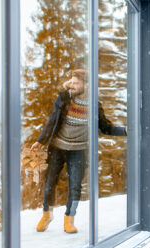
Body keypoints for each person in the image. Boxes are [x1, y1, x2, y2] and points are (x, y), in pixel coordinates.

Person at [31, 69, 127, 234]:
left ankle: (69, 219)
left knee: (75, 186)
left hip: (79, 150)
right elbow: (52, 121)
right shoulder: (64, 99)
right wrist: (40, 141)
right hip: (58, 147)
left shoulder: (94, 105)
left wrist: (125, 130)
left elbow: (106, 127)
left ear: (86, 85)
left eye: (76, 83)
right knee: (49, 184)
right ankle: (47, 215)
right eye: (71, 83)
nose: (72, 85)